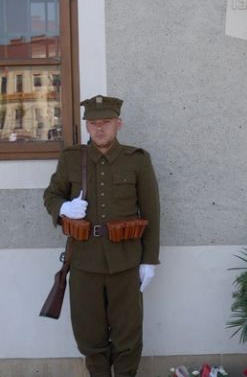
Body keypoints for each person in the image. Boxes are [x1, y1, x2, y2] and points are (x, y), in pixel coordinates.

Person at [43, 95, 160, 377]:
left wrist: (149, 260)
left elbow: (152, 212)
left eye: (105, 122)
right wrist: (64, 209)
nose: (99, 128)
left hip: (125, 261)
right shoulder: (72, 158)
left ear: (118, 124)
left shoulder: (138, 160)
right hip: (84, 260)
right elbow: (51, 195)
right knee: (89, 335)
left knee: (128, 336)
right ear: (87, 127)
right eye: (93, 123)